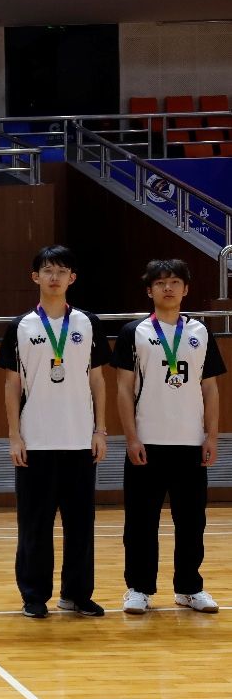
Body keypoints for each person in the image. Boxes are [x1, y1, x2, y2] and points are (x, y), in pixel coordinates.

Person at [0, 245, 110, 619]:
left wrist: (100, 430)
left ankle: (76, 594)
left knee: (81, 525)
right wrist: (14, 436)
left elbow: (97, 380)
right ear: (36, 277)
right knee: (35, 525)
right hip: (36, 441)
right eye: (48, 270)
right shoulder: (21, 326)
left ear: (72, 278)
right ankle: (34, 594)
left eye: (62, 271)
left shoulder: (88, 323)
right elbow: (12, 384)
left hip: (79, 440)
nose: (54, 277)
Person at [114, 259, 223, 615]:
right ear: (149, 291)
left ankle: (189, 588)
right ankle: (139, 588)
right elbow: (124, 388)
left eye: (175, 281)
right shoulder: (134, 332)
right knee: (140, 522)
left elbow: (210, 388)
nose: (168, 288)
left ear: (186, 289)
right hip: (147, 442)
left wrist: (211, 436)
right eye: (160, 283)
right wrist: (131, 438)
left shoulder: (201, 332)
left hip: (190, 443)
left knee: (191, 522)